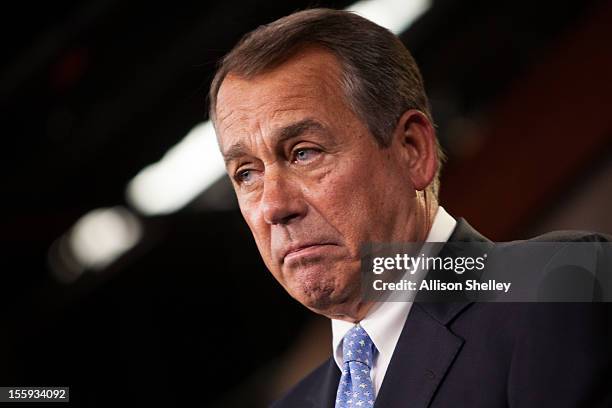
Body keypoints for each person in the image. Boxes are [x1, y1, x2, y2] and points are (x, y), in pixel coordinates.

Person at [208, 8, 612, 408]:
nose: (274, 206)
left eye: (304, 153)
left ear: (412, 151)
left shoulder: (556, 289)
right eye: (246, 174)